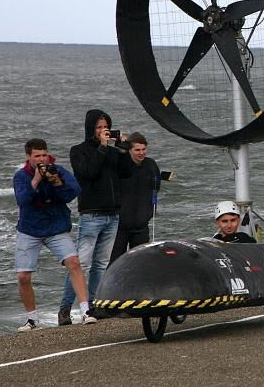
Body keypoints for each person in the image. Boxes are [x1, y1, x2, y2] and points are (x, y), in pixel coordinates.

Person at [12, 138, 96, 329]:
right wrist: (36, 180)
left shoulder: (57, 170)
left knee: (74, 262)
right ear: (28, 157)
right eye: (37, 156)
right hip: (30, 229)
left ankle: (85, 311)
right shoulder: (21, 176)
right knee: (23, 276)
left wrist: (57, 182)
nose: (42, 160)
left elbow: (73, 192)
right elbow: (22, 200)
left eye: (44, 155)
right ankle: (32, 319)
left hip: (56, 227)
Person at [59, 109, 133, 325]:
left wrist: (123, 149)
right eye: (99, 128)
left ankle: (94, 305)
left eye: (106, 128)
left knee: (101, 263)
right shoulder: (79, 151)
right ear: (91, 129)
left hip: (113, 213)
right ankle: (65, 308)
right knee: (80, 264)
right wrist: (102, 147)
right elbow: (89, 172)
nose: (103, 132)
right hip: (91, 214)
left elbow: (127, 172)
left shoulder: (111, 152)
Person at [109, 132, 162, 264]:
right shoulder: (121, 166)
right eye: (137, 150)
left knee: (141, 262)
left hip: (141, 225)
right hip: (119, 226)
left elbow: (156, 187)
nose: (141, 153)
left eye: (144, 149)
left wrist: (148, 213)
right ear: (129, 150)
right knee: (115, 262)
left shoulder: (151, 165)